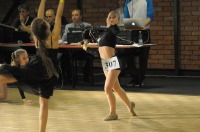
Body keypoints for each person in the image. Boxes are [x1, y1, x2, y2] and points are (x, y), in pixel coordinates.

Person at [0, 0, 64, 131]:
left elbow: (39, 18)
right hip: (49, 75)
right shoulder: (54, 38)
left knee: (7, 73)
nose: (45, 20)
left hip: (37, 69)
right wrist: (62, 1)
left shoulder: (37, 39)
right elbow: (58, 17)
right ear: (47, 29)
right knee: (43, 105)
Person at [83, 11, 136, 121]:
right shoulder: (104, 33)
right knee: (116, 87)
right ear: (106, 18)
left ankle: (113, 113)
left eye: (114, 17)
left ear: (117, 19)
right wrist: (86, 47)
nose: (111, 18)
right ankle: (130, 105)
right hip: (105, 63)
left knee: (107, 89)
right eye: (109, 17)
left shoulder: (112, 30)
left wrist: (115, 24)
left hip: (113, 62)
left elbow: (117, 31)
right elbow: (98, 53)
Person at [124, 0, 154, 87]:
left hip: (144, 32)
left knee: (143, 57)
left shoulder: (147, 1)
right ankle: (135, 76)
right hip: (133, 32)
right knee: (127, 54)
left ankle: (140, 80)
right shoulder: (128, 2)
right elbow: (126, 18)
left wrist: (141, 25)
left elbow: (150, 16)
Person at [61, 9, 93, 83]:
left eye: (76, 15)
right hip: (72, 50)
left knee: (90, 56)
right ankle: (71, 77)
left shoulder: (87, 25)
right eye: (73, 15)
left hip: (84, 49)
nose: (74, 17)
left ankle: (86, 77)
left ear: (81, 16)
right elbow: (64, 38)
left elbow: (91, 39)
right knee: (64, 57)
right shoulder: (68, 26)